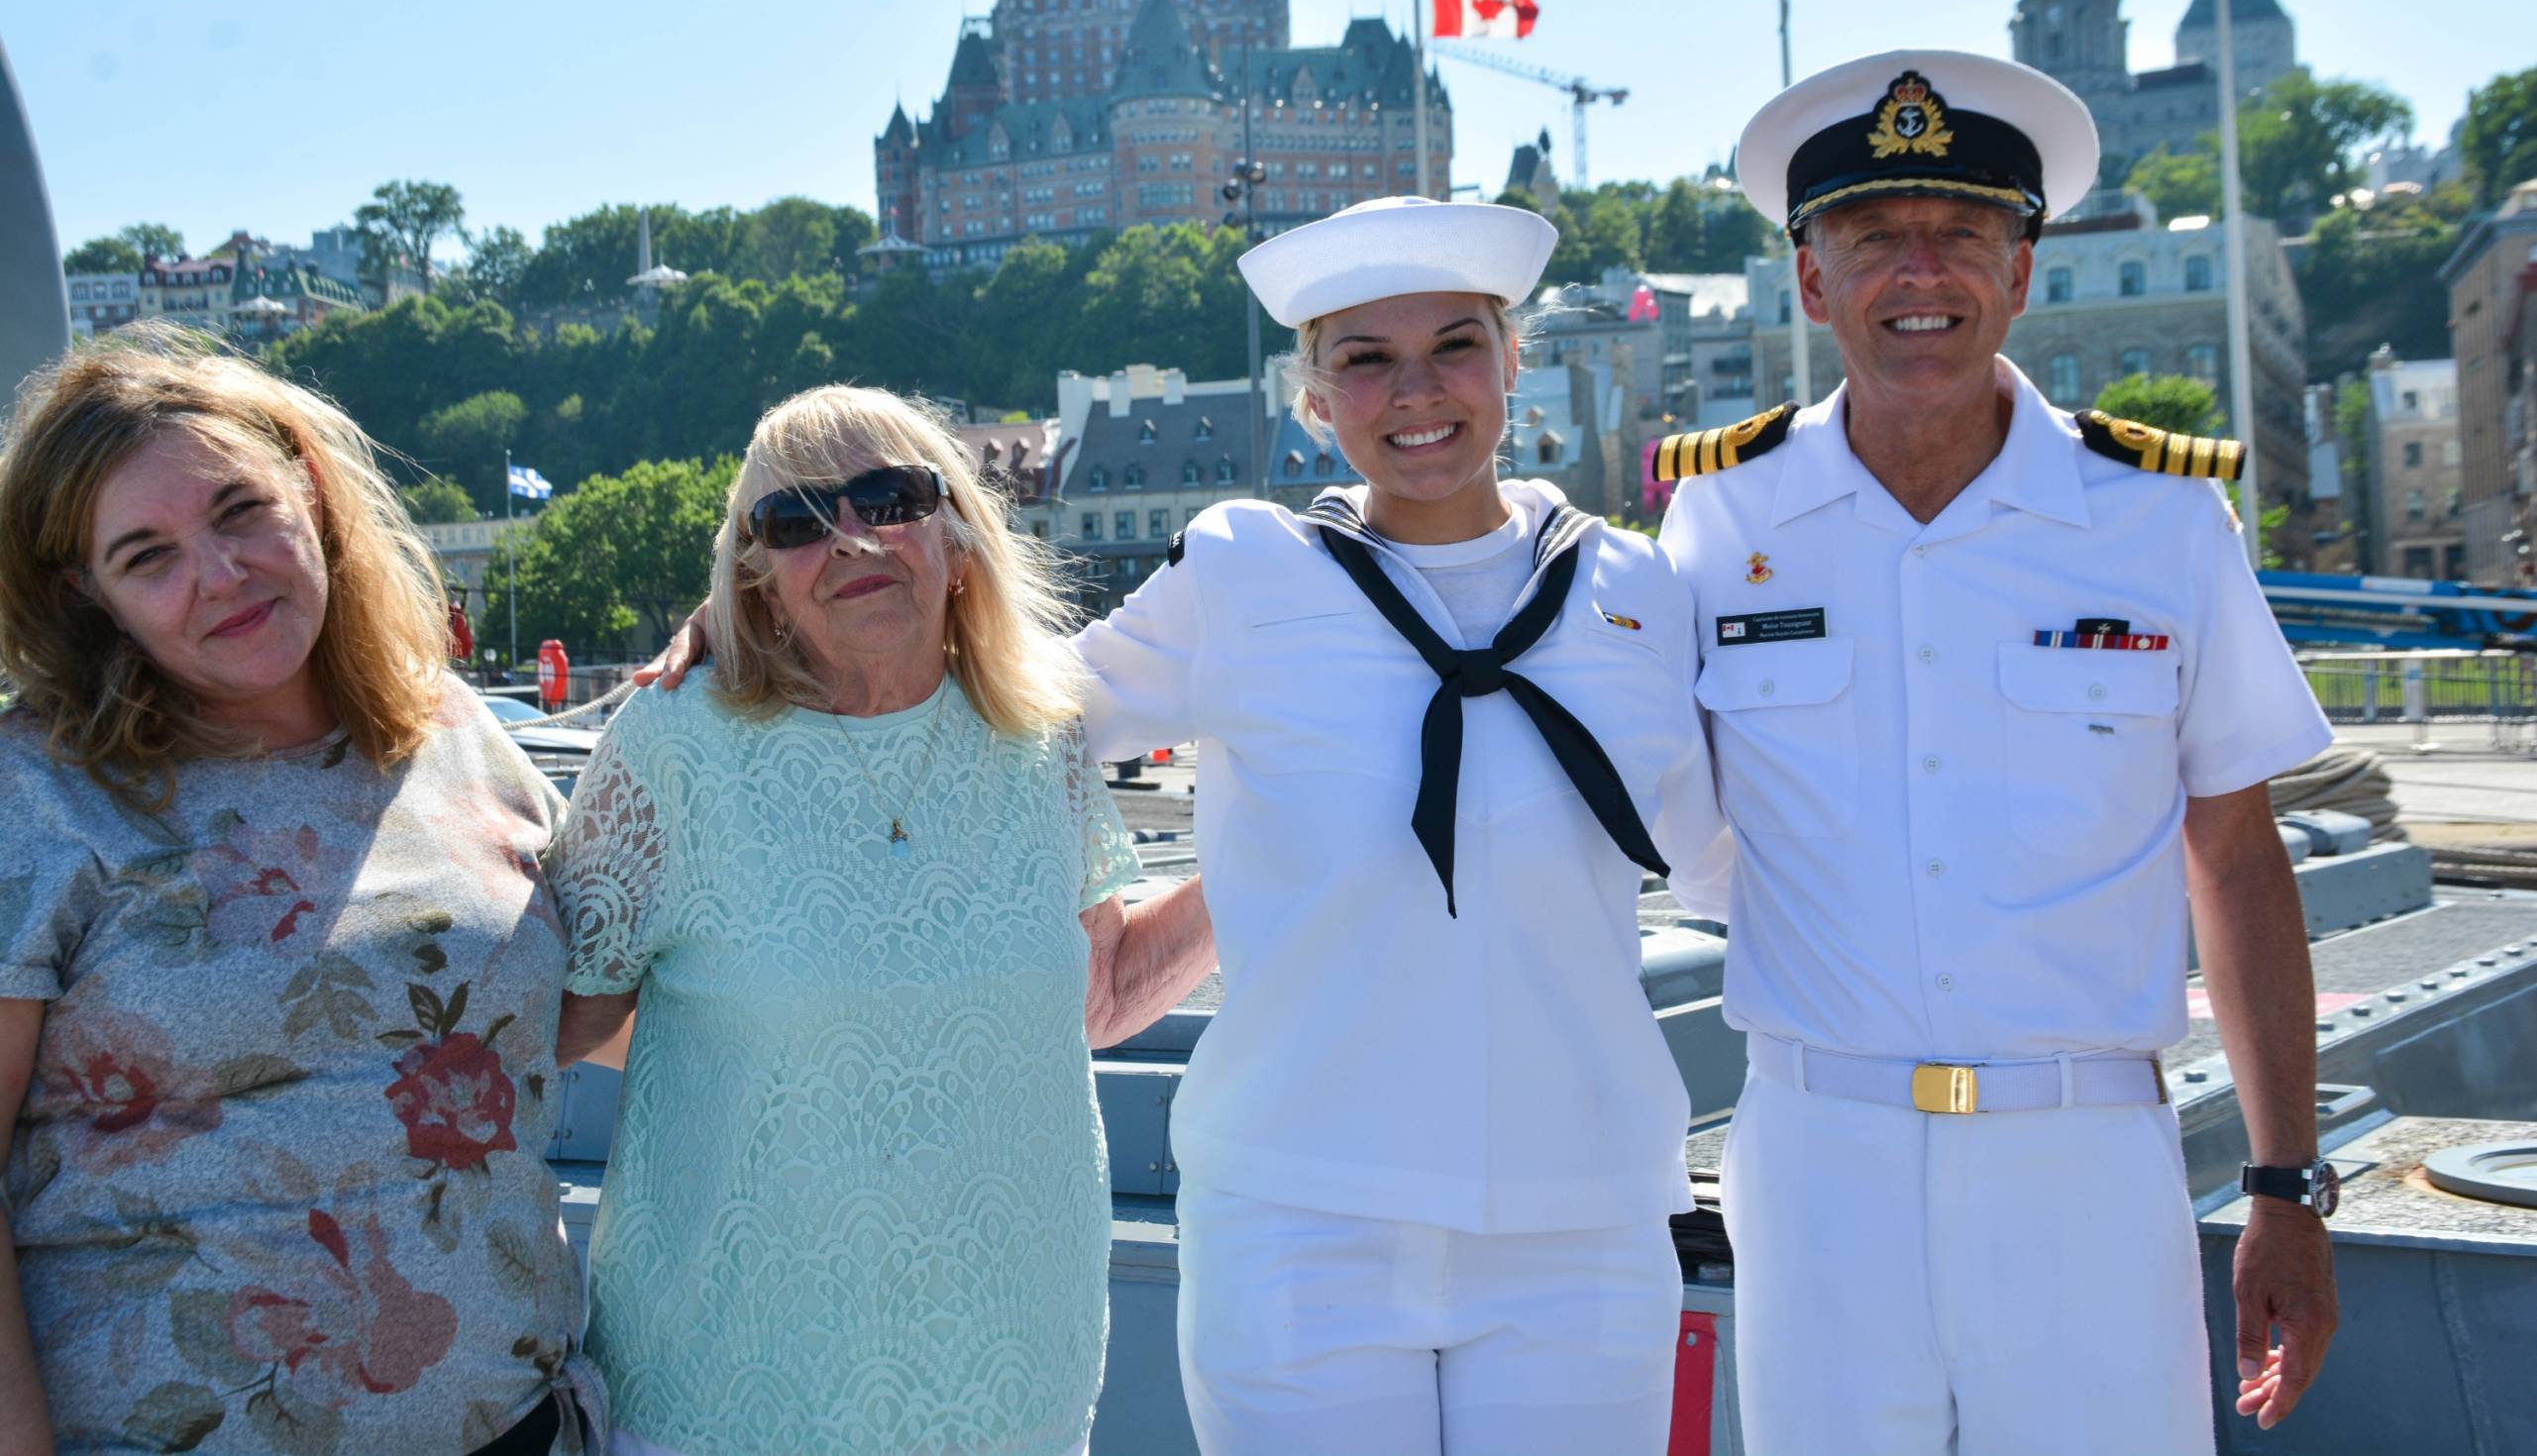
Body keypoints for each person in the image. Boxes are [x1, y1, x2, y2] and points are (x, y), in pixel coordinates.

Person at [650, 195, 1732, 1456]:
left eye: (1454, 345)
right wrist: (759, 624)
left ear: (1510, 363)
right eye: (1364, 359)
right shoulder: (1243, 575)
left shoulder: (1638, 593)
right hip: (1300, 1218)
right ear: (1311, 399)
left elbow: (1728, 867)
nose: (1414, 391)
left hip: (1577, 1218)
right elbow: (1004, 709)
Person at [1652, 50, 2339, 1454]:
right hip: (1816, 1156)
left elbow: (2232, 852)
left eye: (1960, 233)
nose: (1921, 272)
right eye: (1871, 237)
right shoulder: (1718, 520)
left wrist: (2284, 1183)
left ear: (2018, 274)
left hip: (2083, 1163)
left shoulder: (2158, 518)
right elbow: (1669, 821)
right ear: (1810, 282)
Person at [550, 384, 1215, 1456]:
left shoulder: (1037, 736)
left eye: (889, 498)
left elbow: (1089, 1001)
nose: (850, 538)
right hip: (729, 1400)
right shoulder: (675, 747)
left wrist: (1266, 851)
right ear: (756, 576)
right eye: (795, 522)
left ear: (958, 533)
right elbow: (553, 1019)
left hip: (1013, 1393)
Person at [0, 329, 598, 1455]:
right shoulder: (33, 795)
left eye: (238, 510)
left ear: (311, 491)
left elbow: (594, 1009)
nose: (220, 575)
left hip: (515, 1424)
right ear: (90, 596)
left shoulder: (453, 731)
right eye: (148, 555)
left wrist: (746, 668)